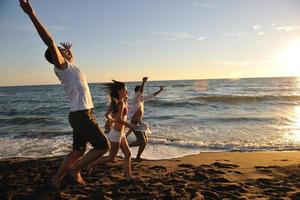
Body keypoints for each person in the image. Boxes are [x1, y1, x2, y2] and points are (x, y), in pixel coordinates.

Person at [19, 0, 110, 190]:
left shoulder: (70, 66)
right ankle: (74, 170)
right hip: (82, 115)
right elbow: (50, 42)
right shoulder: (60, 66)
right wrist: (31, 14)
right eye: (62, 53)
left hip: (80, 114)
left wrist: (70, 51)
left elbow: (71, 60)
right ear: (56, 57)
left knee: (78, 150)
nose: (65, 54)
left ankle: (56, 179)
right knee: (104, 146)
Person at [88, 80, 136, 179]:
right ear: (120, 91)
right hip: (116, 134)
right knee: (111, 158)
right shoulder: (120, 103)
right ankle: (91, 164)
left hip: (120, 133)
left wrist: (112, 120)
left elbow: (106, 115)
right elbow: (119, 119)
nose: (127, 91)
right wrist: (130, 125)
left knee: (128, 154)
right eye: (125, 90)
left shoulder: (117, 102)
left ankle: (128, 175)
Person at [127, 77, 164, 161]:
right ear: (137, 92)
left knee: (145, 141)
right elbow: (141, 91)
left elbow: (152, 95)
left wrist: (160, 90)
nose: (142, 93)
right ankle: (125, 146)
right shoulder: (135, 98)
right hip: (134, 122)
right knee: (141, 141)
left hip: (139, 122)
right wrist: (143, 82)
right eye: (140, 92)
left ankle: (137, 157)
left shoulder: (141, 99)